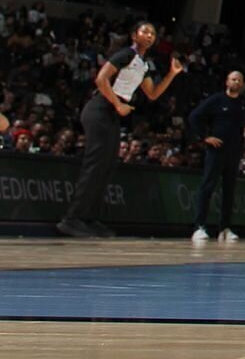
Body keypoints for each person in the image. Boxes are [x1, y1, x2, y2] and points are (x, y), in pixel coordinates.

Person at [59, 20, 184, 238]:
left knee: (107, 166)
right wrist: (117, 104)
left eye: (153, 33)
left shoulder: (143, 64)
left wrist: (172, 74)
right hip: (100, 109)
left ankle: (88, 218)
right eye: (145, 31)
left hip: (112, 114)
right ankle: (71, 219)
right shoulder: (125, 54)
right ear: (134, 35)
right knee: (95, 164)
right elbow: (101, 79)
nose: (150, 35)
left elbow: (152, 94)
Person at [188, 69, 245, 243]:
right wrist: (205, 137)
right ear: (227, 81)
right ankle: (199, 226)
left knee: (229, 190)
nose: (236, 83)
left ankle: (224, 228)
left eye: (239, 80)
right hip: (217, 151)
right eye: (233, 79)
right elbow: (194, 117)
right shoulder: (217, 100)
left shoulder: (243, 103)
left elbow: (244, 122)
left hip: (234, 152)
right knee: (207, 187)